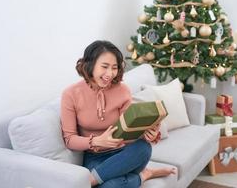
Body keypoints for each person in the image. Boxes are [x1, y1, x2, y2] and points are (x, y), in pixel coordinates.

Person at [61, 40, 176, 188]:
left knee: (143, 147)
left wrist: (150, 134)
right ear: (90, 64)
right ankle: (145, 175)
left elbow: (129, 128)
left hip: (125, 153)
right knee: (111, 186)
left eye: (114, 68)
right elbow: (70, 139)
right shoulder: (71, 94)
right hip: (96, 157)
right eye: (104, 67)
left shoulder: (122, 91)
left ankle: (89, 181)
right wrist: (96, 141)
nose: (110, 73)